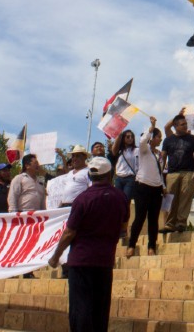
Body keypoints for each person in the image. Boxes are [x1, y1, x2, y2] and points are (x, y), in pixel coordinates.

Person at [48, 157, 129, 332]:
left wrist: (55, 256)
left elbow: (69, 232)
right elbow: (124, 229)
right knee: (100, 310)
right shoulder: (121, 198)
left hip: (81, 261)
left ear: (90, 176)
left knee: (81, 308)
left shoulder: (83, 199)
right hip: (105, 261)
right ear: (110, 174)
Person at [126, 119, 164, 257]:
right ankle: (131, 245)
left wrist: (163, 186)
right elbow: (142, 141)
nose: (160, 139)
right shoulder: (144, 149)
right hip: (142, 186)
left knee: (153, 219)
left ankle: (151, 247)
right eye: (158, 137)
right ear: (152, 138)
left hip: (157, 188)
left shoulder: (158, 154)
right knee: (140, 217)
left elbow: (159, 171)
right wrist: (151, 127)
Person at [161, 114, 194, 233]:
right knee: (170, 199)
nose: (185, 126)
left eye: (186, 124)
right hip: (172, 173)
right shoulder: (168, 140)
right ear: (175, 126)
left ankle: (181, 223)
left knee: (185, 198)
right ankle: (169, 224)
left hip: (188, 172)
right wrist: (160, 175)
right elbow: (163, 158)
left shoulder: (192, 139)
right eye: (182, 124)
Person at [110, 129, 139, 238]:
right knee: (117, 203)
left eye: (131, 136)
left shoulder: (136, 150)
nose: (130, 138)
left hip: (130, 178)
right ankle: (117, 226)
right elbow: (113, 151)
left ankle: (124, 228)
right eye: (127, 136)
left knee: (125, 202)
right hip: (119, 178)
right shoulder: (119, 150)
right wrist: (119, 134)